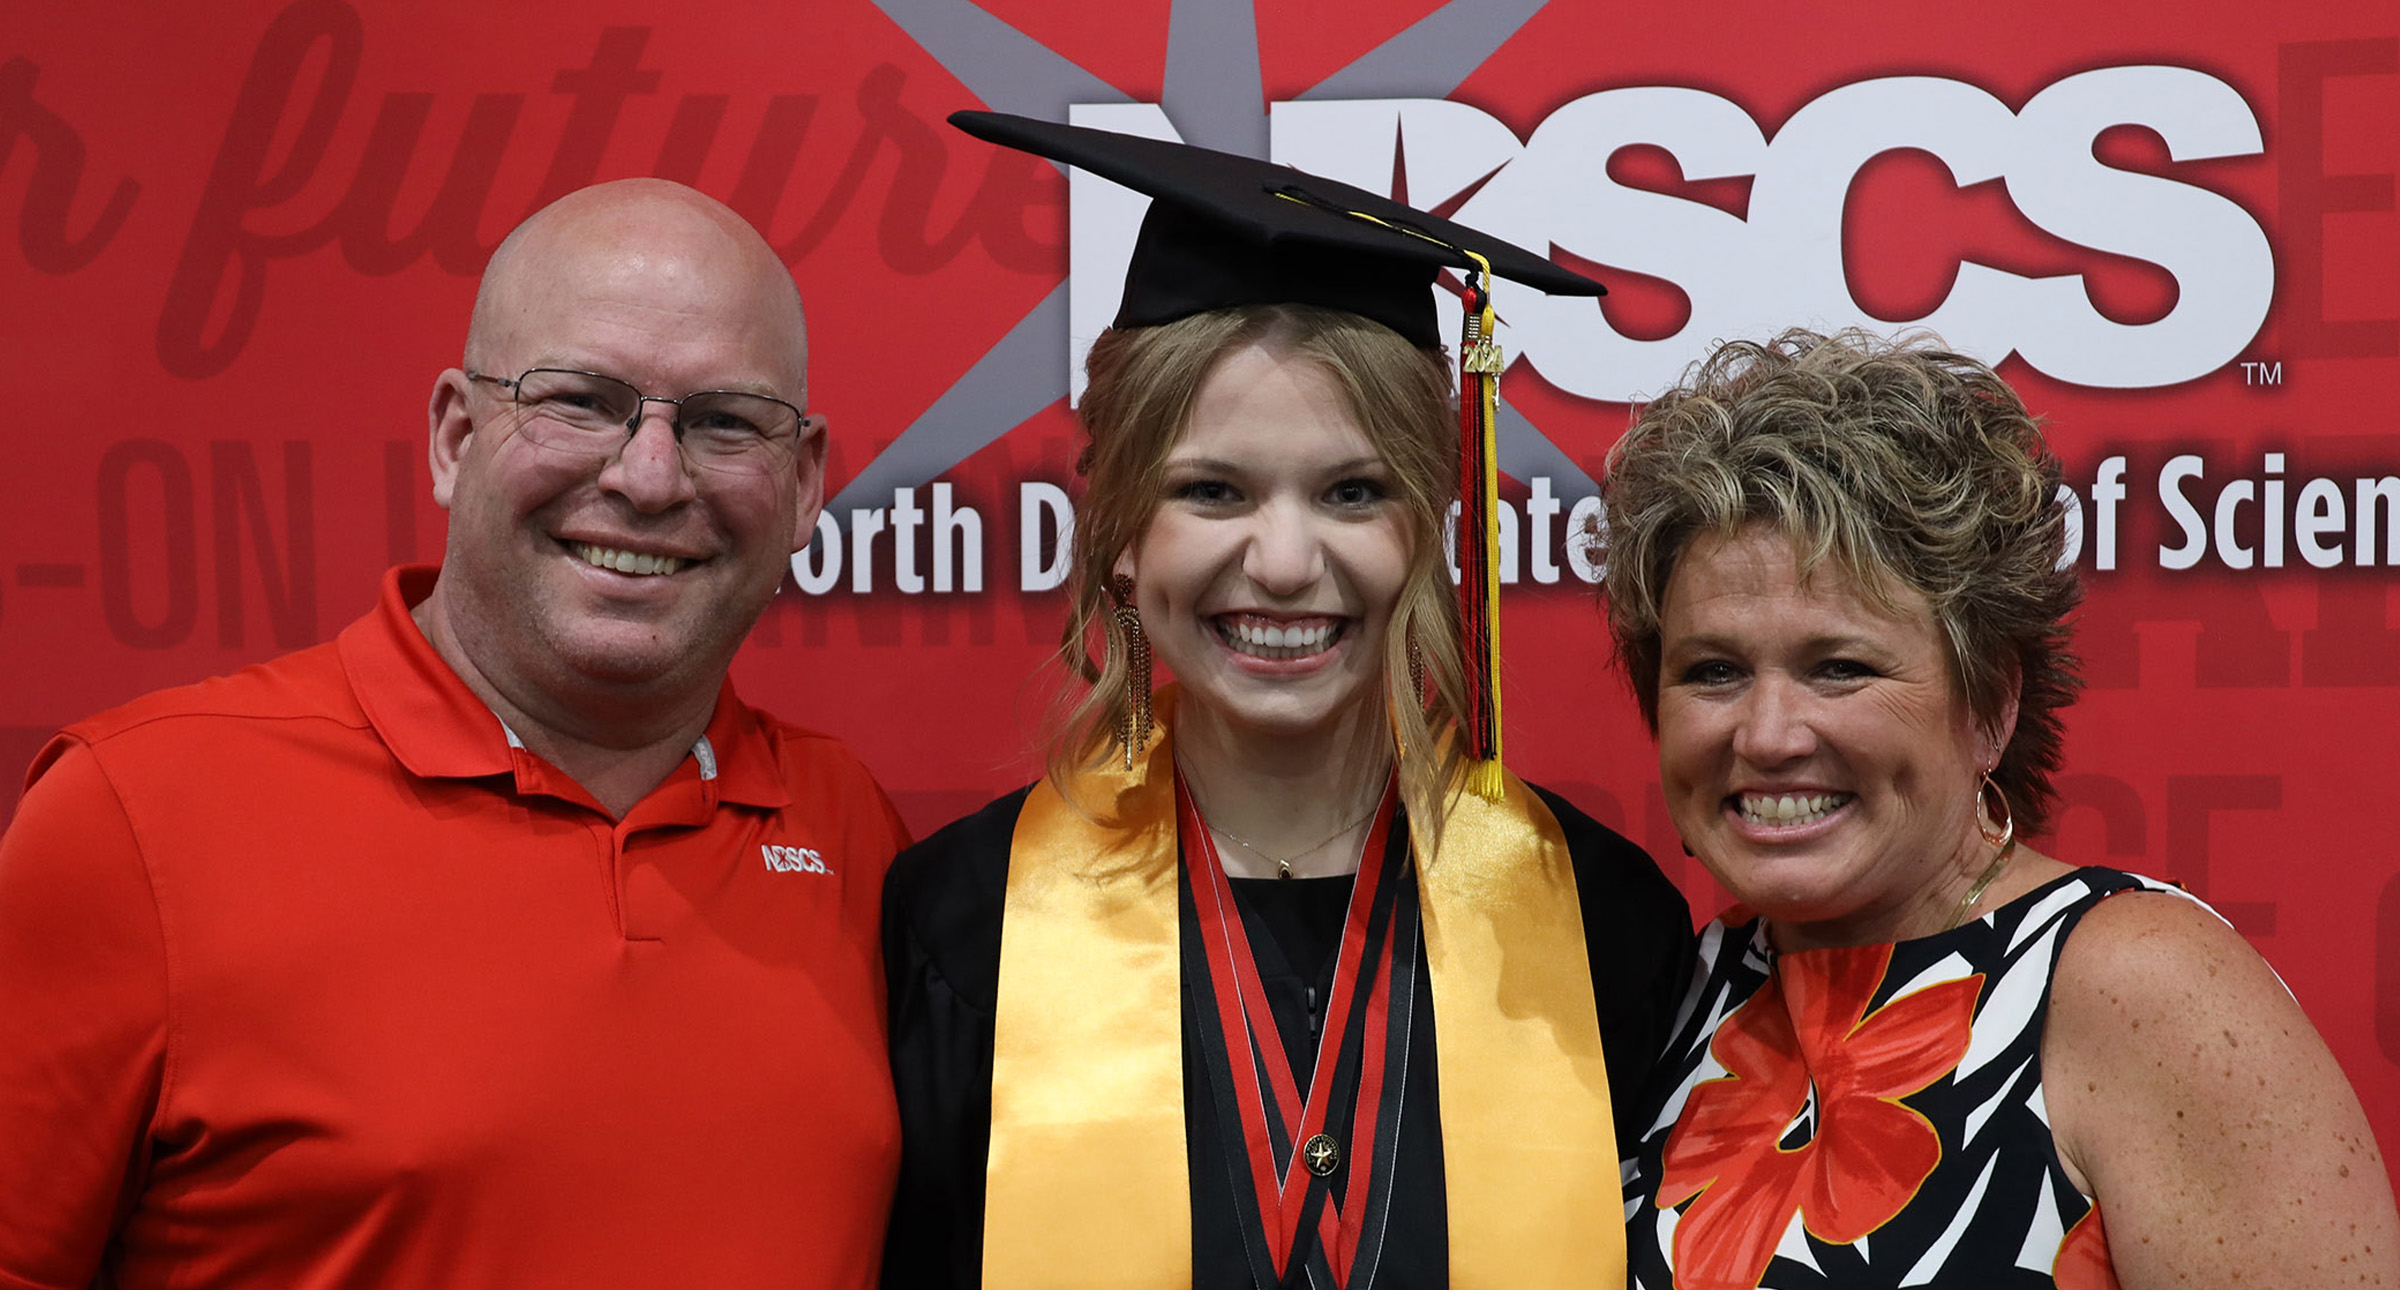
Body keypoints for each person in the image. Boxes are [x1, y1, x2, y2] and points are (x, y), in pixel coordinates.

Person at [0, 180, 910, 1288]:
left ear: (807, 482)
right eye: (579, 400)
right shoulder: (132, 816)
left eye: (725, 422)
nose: (650, 475)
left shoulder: (849, 828)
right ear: (453, 436)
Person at [880, 112, 1693, 1290]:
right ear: (1116, 531)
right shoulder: (962, 930)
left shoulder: (1602, 929)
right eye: (1212, 491)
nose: (1280, 560)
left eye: (1354, 492)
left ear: (1433, 525)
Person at [1604, 329, 2400, 1289]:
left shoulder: (2138, 987)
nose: (1768, 734)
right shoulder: (1677, 994)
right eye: (1714, 671)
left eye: (1840, 667)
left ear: (1991, 706)